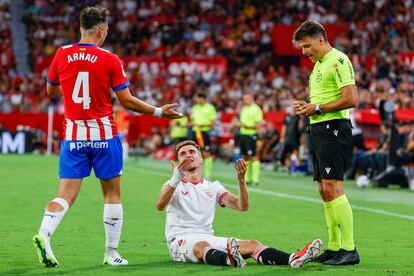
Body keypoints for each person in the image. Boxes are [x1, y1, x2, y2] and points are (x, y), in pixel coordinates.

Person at [32, 6, 182, 268]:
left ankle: (44, 233)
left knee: (65, 194)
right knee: (112, 195)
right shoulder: (110, 58)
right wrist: (158, 111)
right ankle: (111, 253)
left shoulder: (62, 53)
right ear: (101, 30)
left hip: (73, 135)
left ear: (81, 28)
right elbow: (126, 100)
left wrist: (73, 92)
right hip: (103, 135)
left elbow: (50, 90)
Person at [155, 140, 322, 268]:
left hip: (207, 237)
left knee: (253, 245)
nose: (188, 155)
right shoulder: (173, 185)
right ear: (178, 162)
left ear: (201, 159)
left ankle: (293, 258)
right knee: (201, 246)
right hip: (181, 241)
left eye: (192, 152)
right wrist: (175, 178)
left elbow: (242, 206)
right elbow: (160, 205)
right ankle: (229, 259)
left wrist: (241, 181)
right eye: (183, 154)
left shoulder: (213, 187)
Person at [292, 20, 360, 265]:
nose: (305, 52)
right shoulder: (319, 65)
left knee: (333, 186)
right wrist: (309, 108)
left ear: (321, 39)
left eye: (308, 46)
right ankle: (334, 247)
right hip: (319, 129)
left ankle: (349, 249)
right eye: (302, 47)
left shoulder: (339, 60)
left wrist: (317, 107)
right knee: (324, 189)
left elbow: (351, 98)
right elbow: (321, 102)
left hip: (334, 129)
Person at [236, 94, 263, 185]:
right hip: (243, 134)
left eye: (246, 99)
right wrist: (237, 124)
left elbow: (258, 125)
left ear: (251, 98)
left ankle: (255, 180)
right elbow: (241, 122)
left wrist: (246, 125)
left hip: (251, 134)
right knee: (245, 156)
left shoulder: (256, 109)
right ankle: (246, 179)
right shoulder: (244, 109)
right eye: (244, 99)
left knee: (254, 156)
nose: (244, 101)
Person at [190, 92, 217, 178]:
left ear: (203, 98)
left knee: (206, 153)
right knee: (195, 153)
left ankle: (207, 175)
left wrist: (203, 125)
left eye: (197, 98)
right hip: (195, 132)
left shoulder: (210, 108)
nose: (196, 100)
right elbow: (192, 121)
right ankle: (196, 173)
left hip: (204, 133)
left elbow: (213, 123)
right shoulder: (195, 108)